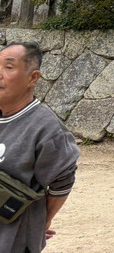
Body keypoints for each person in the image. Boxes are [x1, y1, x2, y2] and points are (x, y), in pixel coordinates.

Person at [0, 42, 79, 253]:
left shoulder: (47, 129)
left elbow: (63, 180)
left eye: (8, 67)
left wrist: (40, 221)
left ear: (33, 78)